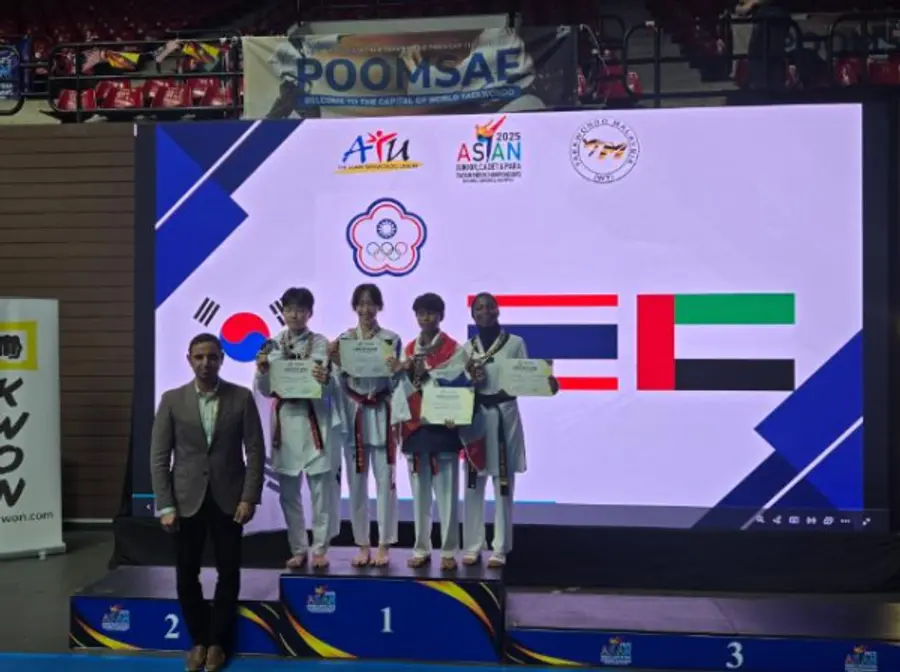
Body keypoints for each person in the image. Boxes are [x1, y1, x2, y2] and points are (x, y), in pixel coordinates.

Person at [150, 333, 265, 672]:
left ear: (222, 359)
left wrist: (249, 497)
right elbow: (159, 457)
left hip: (230, 501)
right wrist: (165, 505)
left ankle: (218, 644)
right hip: (185, 502)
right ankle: (198, 640)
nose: (205, 363)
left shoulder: (241, 397)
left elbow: (255, 452)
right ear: (189, 359)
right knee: (187, 575)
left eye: (212, 357)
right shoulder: (172, 400)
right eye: (199, 357)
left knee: (229, 574)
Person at [461, 293, 558, 568]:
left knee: (503, 483)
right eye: (479, 308)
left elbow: (526, 379)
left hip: (504, 413)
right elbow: (461, 385)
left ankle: (500, 548)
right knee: (473, 483)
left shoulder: (515, 343)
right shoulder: (467, 348)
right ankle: (472, 545)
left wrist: (546, 382)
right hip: (477, 415)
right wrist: (470, 381)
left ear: (498, 310)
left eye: (489, 306)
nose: (485, 311)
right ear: (472, 314)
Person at [390, 292, 485, 571]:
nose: (425, 318)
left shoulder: (455, 350)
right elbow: (401, 390)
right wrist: (402, 371)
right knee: (419, 497)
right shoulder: (409, 350)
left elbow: (464, 385)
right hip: (415, 428)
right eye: (420, 313)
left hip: (444, 427)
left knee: (447, 496)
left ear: (441, 316)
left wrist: (457, 410)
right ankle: (421, 548)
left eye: (430, 313)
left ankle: (448, 550)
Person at [254, 287, 341, 569]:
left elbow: (331, 388)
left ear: (310, 313)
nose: (294, 315)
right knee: (289, 494)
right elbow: (264, 389)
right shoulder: (270, 346)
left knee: (320, 494)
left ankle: (320, 548)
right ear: (283, 312)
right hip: (286, 423)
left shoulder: (321, 344)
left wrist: (326, 379)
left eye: (301, 310)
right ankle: (298, 548)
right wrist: (262, 371)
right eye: (290, 309)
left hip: (315, 422)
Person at [329, 284, 402, 567]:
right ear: (354, 307)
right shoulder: (344, 340)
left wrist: (396, 370)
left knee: (386, 483)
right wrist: (336, 362)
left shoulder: (391, 339)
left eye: (371, 303)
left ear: (379, 307)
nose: (366, 309)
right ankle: (362, 544)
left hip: (382, 411)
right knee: (356, 484)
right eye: (361, 303)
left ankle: (384, 544)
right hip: (355, 414)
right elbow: (338, 381)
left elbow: (397, 382)